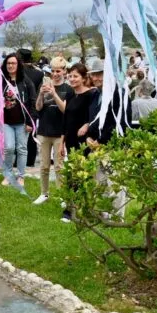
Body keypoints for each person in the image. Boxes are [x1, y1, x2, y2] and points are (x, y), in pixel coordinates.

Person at [33, 57, 73, 205]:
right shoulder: (44, 85)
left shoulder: (68, 89)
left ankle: (62, 195)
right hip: (43, 130)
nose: (55, 74)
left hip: (60, 132)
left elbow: (65, 110)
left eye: (58, 71)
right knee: (44, 165)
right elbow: (38, 107)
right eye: (53, 71)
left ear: (64, 71)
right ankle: (44, 193)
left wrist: (54, 94)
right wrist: (42, 94)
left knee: (59, 166)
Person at [60, 63, 98, 222]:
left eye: (75, 76)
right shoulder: (70, 94)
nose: (72, 79)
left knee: (82, 174)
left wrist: (87, 124)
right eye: (70, 76)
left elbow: (96, 115)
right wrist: (62, 141)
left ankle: (79, 209)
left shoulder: (92, 94)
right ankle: (71, 207)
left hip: (84, 140)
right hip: (70, 139)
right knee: (72, 173)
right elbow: (66, 118)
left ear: (83, 78)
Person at [1, 53, 36, 189]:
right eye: (8, 63)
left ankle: (21, 175)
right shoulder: (2, 80)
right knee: (9, 148)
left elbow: (32, 102)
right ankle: (8, 174)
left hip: (22, 122)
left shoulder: (26, 82)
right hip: (6, 121)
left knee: (21, 148)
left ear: (18, 65)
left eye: (13, 63)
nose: (10, 65)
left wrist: (30, 121)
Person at [19, 49, 43, 171]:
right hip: (34, 105)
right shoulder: (39, 73)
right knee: (32, 134)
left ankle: (19, 160)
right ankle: (31, 160)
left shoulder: (19, 72)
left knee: (19, 134)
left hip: (20, 105)